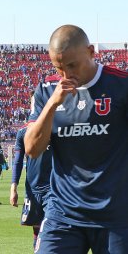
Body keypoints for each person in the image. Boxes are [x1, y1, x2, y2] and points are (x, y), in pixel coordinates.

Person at [24, 24, 128, 254]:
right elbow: (32, 148)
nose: (66, 75)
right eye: (59, 68)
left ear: (91, 52)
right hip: (64, 213)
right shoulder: (46, 90)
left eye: (72, 66)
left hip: (116, 217)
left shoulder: (121, 85)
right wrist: (53, 104)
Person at [10, 119, 52, 249]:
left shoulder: (55, 126)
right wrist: (13, 187)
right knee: (36, 228)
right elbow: (17, 162)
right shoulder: (23, 131)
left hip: (54, 188)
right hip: (32, 188)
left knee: (52, 227)